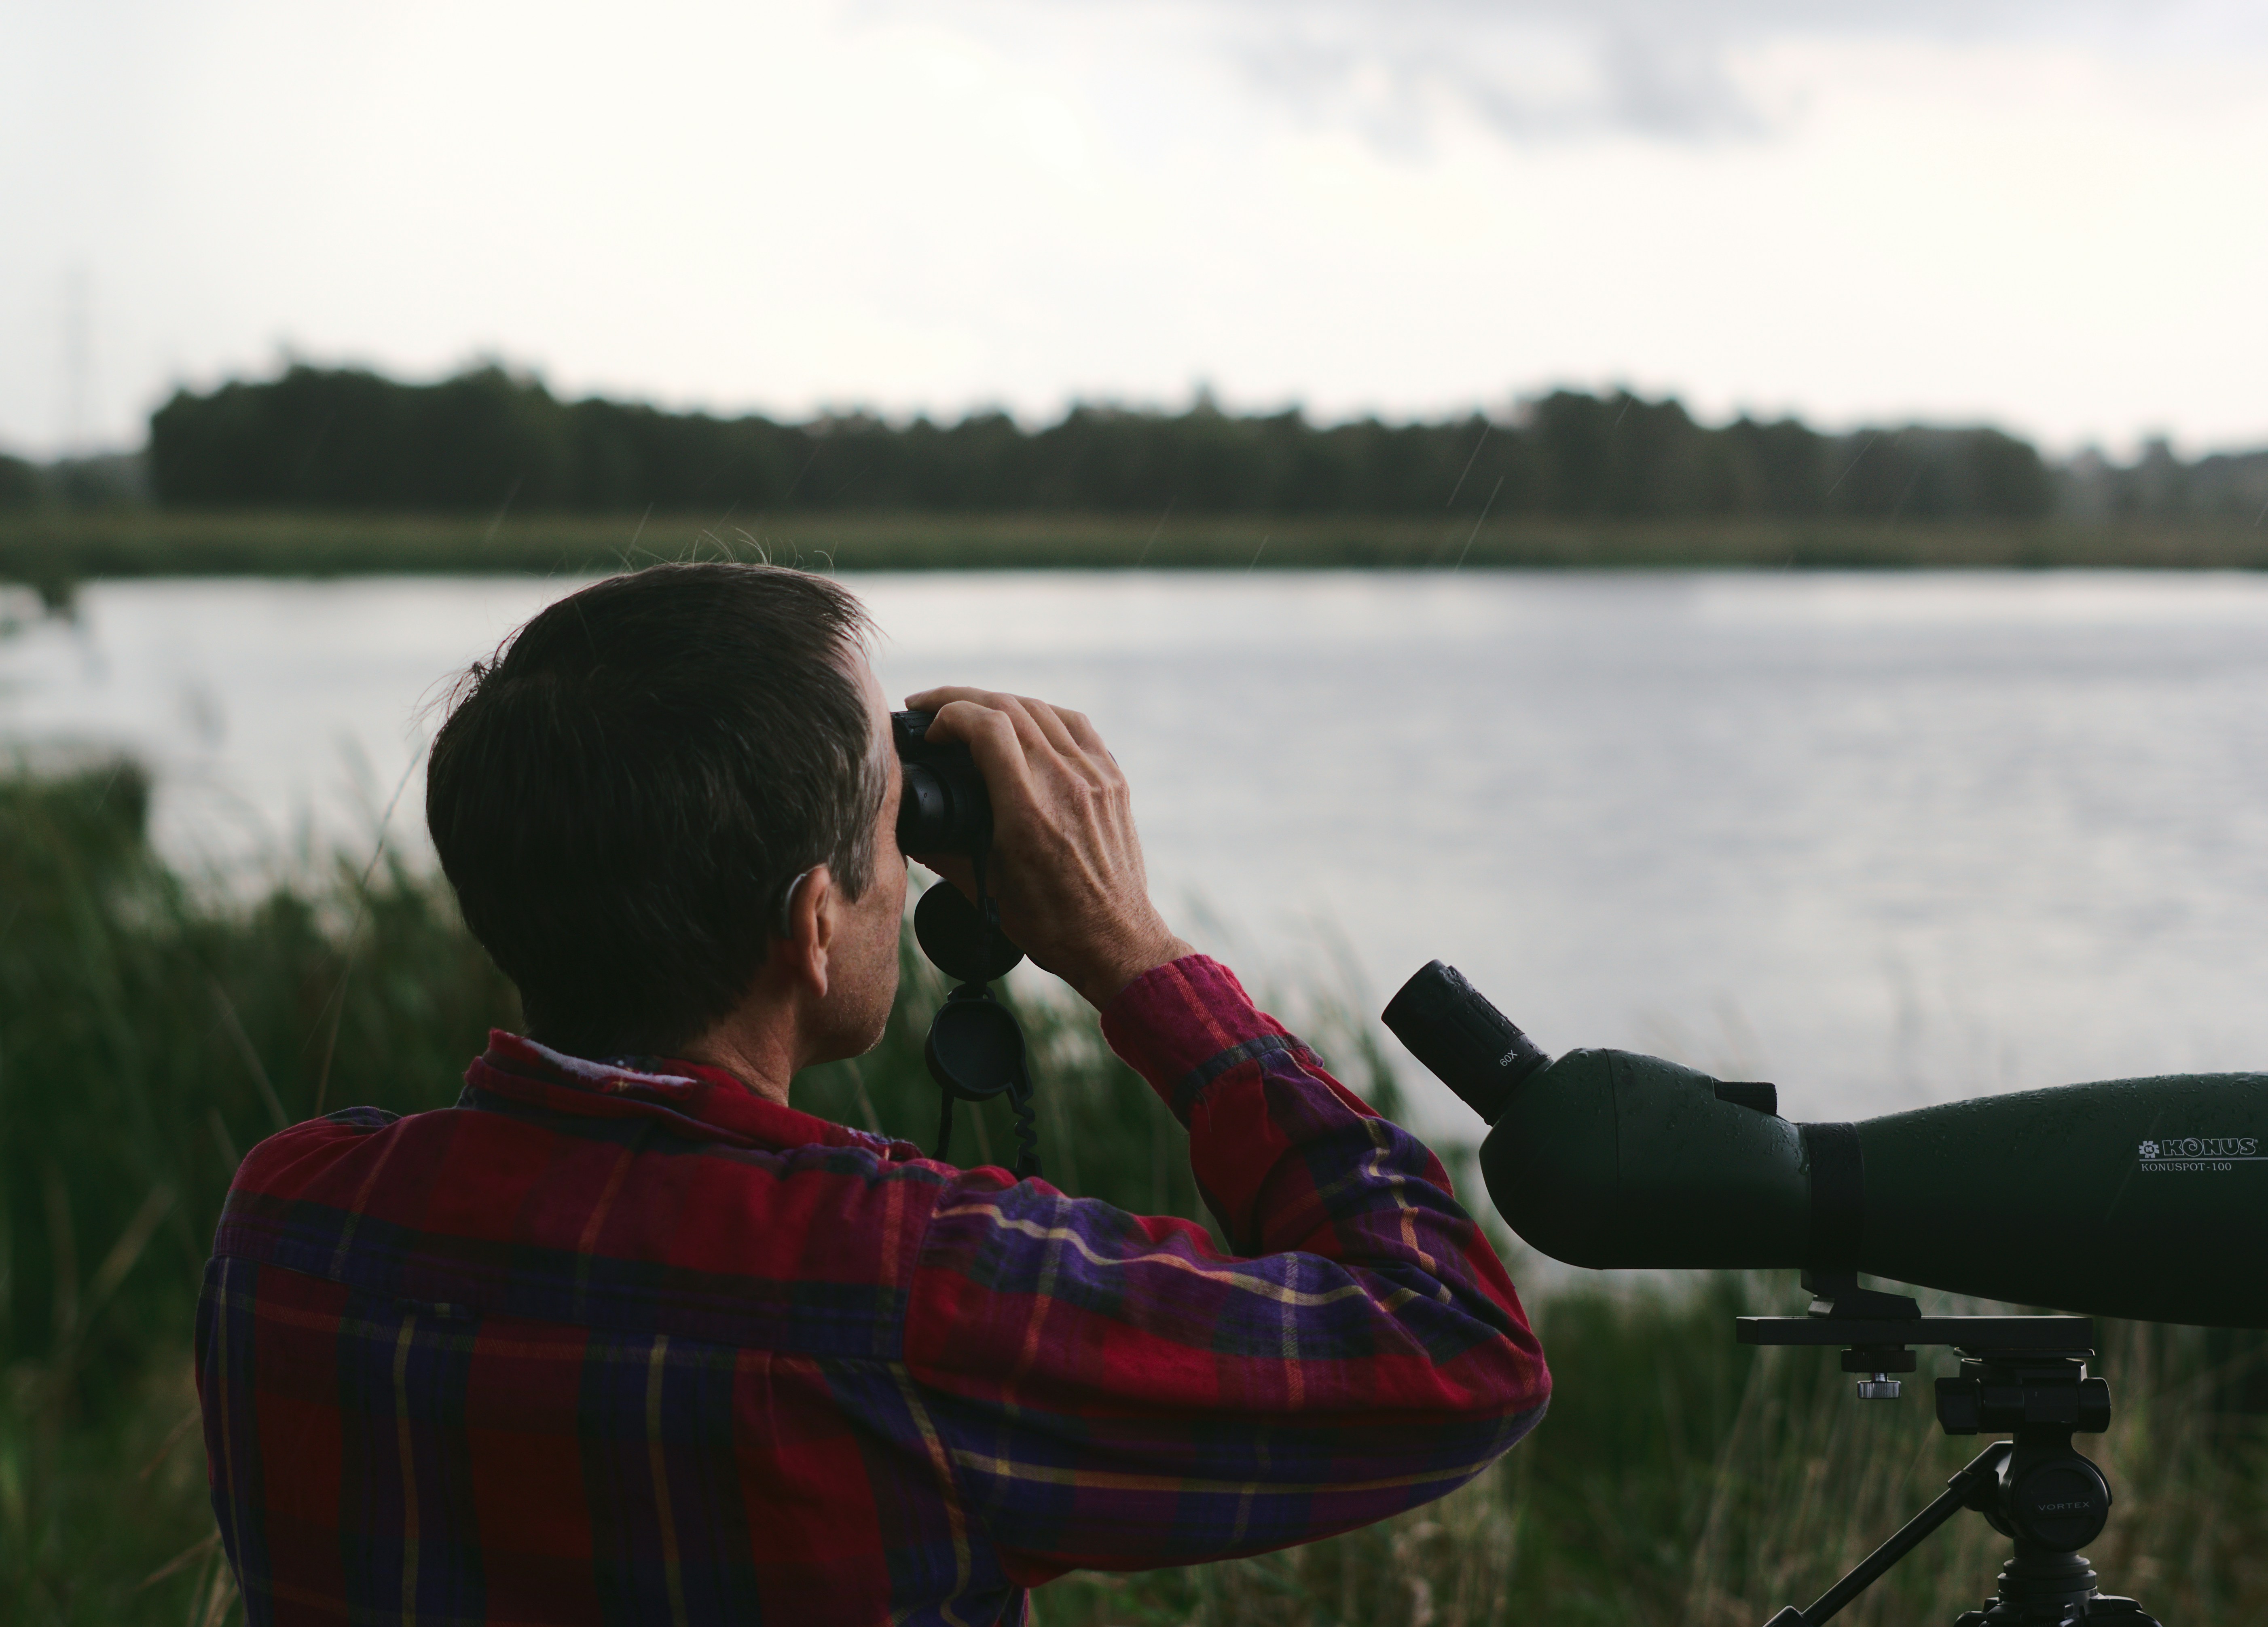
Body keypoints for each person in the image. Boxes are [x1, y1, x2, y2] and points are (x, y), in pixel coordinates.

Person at [195, 562, 1549, 1626]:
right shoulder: (916, 1294)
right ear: (813, 927)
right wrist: (1132, 951)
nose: (902, 868)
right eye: (893, 825)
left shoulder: (294, 1226)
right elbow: (1455, 1350)